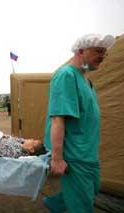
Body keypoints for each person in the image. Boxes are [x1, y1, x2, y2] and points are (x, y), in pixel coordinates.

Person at [42, 34, 115, 212]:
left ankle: (55, 204)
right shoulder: (66, 76)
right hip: (75, 156)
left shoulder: (86, 81)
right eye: (98, 51)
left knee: (93, 188)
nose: (103, 56)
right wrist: (57, 159)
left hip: (89, 153)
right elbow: (58, 118)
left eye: (105, 53)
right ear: (81, 51)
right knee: (82, 205)